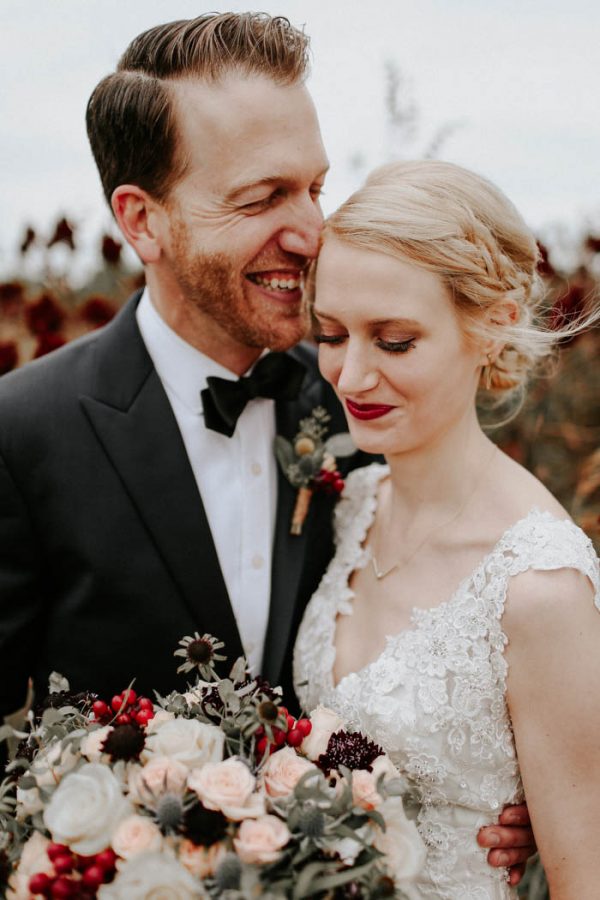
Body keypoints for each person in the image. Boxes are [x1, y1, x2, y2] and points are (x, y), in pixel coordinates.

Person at [0, 13, 532, 880]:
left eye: (315, 188)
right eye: (260, 199)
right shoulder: (24, 436)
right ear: (143, 222)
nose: (312, 232)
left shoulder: (369, 398)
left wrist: (522, 804)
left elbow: (494, 613)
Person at [294, 159, 600, 898]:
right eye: (332, 334)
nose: (352, 376)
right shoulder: (346, 506)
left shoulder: (538, 588)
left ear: (491, 325)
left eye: (394, 342)